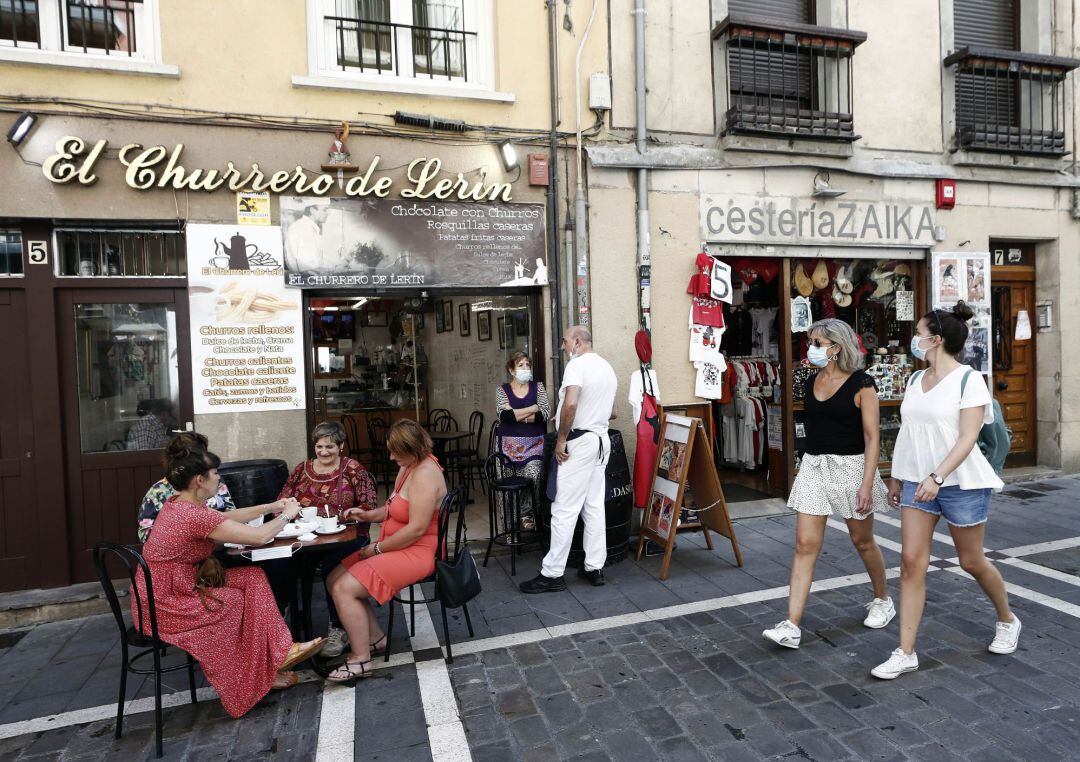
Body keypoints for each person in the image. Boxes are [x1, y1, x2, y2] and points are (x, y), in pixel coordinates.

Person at [871, 303, 1015, 680]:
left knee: (971, 561)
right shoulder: (917, 381)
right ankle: (905, 651)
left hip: (960, 484)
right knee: (910, 564)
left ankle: (1007, 618)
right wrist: (897, 475)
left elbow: (968, 438)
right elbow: (908, 432)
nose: (914, 339)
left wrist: (936, 477)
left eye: (918, 334)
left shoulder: (970, 381)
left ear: (935, 340)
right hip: (918, 484)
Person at [131, 440, 325, 717]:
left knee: (252, 576)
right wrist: (287, 515)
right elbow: (259, 536)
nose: (219, 476)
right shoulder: (190, 515)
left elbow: (224, 517)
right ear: (200, 480)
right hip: (164, 602)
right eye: (216, 473)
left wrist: (272, 505)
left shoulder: (181, 504)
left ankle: (279, 653)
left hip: (175, 586)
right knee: (232, 601)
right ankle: (248, 682)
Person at [762, 319, 893, 650]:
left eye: (817, 343)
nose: (811, 348)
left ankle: (883, 598)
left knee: (862, 540)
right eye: (811, 342)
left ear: (836, 347)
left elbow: (872, 436)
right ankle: (791, 624)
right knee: (805, 544)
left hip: (852, 465)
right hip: (815, 466)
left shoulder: (863, 383)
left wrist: (867, 483)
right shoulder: (810, 379)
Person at [325, 420, 447, 682]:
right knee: (334, 577)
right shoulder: (409, 466)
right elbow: (393, 508)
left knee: (344, 588)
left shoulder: (425, 474)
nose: (391, 457)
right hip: (398, 544)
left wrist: (377, 549)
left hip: (417, 550)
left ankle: (361, 660)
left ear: (412, 449)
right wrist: (367, 514)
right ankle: (375, 638)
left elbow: (416, 529)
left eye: (395, 451)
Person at [520, 326, 618, 593]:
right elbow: (613, 412)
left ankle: (552, 574)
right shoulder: (606, 367)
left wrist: (561, 437)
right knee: (594, 506)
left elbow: (572, 404)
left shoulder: (576, 366)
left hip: (580, 442)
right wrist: (566, 414)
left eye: (564, 342)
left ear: (577, 342)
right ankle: (594, 567)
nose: (562, 347)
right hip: (600, 440)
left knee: (564, 509)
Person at [279, 421, 378, 658]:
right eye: (320, 446)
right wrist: (288, 517)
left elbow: (369, 505)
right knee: (281, 563)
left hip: (347, 536)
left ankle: (339, 627)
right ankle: (288, 629)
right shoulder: (302, 469)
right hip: (306, 537)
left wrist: (350, 516)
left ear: (341, 446)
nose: (324, 452)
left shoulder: (354, 469)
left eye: (330, 447)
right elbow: (283, 499)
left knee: (334, 567)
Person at [495, 351, 551, 530]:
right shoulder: (502, 390)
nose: (525, 369)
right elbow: (505, 417)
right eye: (521, 366)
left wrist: (519, 414)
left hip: (533, 446)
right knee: (509, 483)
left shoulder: (538, 387)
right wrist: (532, 408)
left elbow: (544, 414)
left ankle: (528, 514)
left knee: (533, 476)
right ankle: (510, 525)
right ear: (511, 370)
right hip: (507, 448)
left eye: (527, 365)